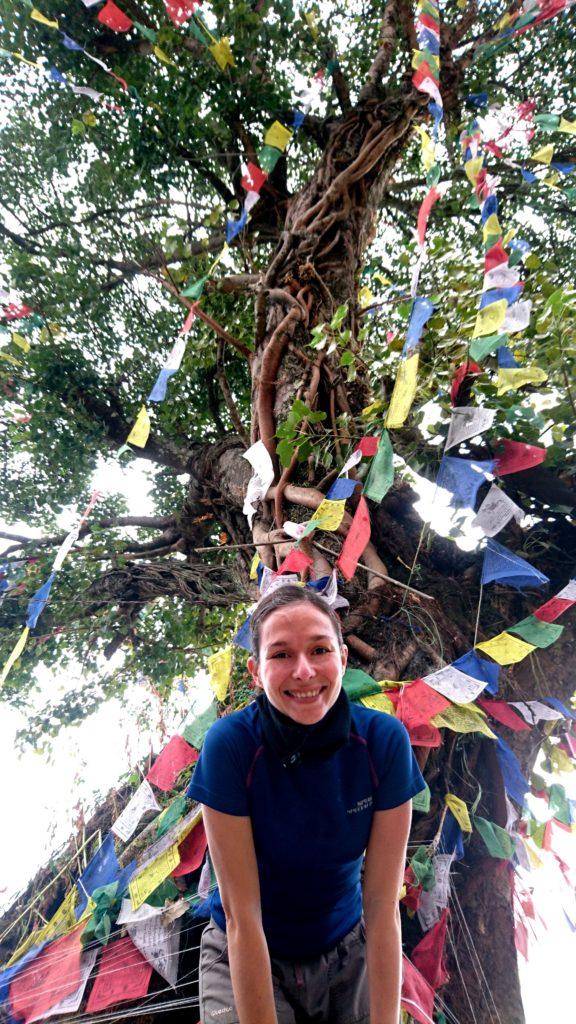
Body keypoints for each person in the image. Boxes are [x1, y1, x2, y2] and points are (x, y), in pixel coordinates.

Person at [187, 584, 425, 1024]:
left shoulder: (382, 743)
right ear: (255, 670)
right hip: (244, 945)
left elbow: (381, 905)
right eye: (280, 655)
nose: (303, 671)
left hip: (350, 948)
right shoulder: (230, 748)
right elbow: (243, 919)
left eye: (319, 650)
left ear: (343, 659)